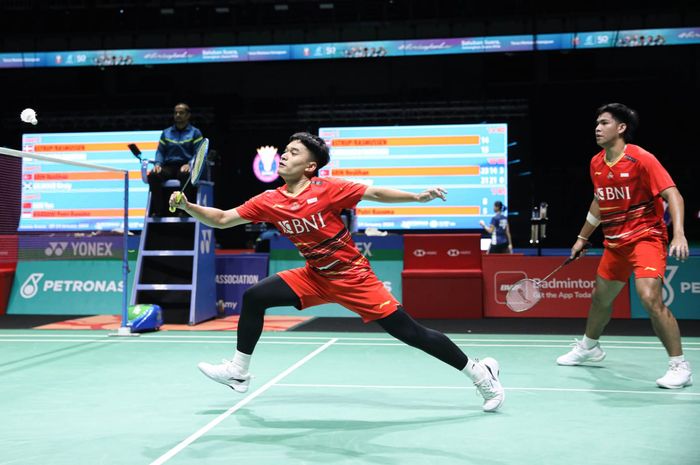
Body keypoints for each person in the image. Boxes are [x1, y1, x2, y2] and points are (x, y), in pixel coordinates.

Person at [170, 132, 505, 412]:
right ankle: (238, 372)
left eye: (293, 153)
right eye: (284, 151)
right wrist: (187, 206)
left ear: (310, 166)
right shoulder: (269, 200)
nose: (284, 156)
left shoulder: (326, 189)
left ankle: (481, 374)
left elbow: (374, 192)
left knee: (411, 334)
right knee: (255, 296)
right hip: (315, 275)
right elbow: (223, 218)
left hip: (353, 277)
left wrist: (417, 196)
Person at [557, 103, 691, 389]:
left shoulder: (641, 159)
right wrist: (582, 238)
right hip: (615, 242)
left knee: (649, 298)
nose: (597, 127)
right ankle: (589, 347)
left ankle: (680, 365)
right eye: (596, 123)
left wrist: (679, 234)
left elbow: (674, 195)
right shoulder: (596, 162)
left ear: (621, 128)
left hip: (646, 237)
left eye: (604, 123)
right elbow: (599, 202)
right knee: (600, 299)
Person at [147, 103, 204, 216]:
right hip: (169, 166)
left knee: (185, 175)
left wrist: (190, 164)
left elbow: (198, 153)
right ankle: (158, 210)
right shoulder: (166, 132)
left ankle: (183, 210)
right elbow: (160, 151)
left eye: (181, 113)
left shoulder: (195, 132)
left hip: (185, 166)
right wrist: (158, 164)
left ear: (188, 115)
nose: (178, 115)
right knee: (153, 175)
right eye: (176, 112)